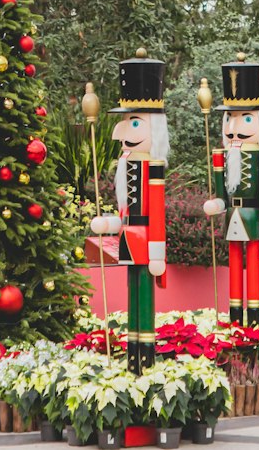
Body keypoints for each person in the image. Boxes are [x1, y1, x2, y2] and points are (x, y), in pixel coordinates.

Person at [91, 49, 167, 372]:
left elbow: (158, 214)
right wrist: (107, 222)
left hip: (148, 242)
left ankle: (145, 354)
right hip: (128, 237)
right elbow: (125, 210)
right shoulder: (125, 165)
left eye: (133, 122)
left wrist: (158, 253)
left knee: (144, 297)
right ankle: (132, 351)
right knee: (131, 293)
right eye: (125, 121)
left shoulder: (154, 168)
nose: (122, 132)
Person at [203, 54, 259, 326]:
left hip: (254, 216)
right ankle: (235, 316)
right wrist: (217, 204)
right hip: (233, 215)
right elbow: (222, 192)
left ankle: (254, 318)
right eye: (229, 119)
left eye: (243, 119)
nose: (233, 128)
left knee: (253, 264)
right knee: (234, 265)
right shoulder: (222, 155)